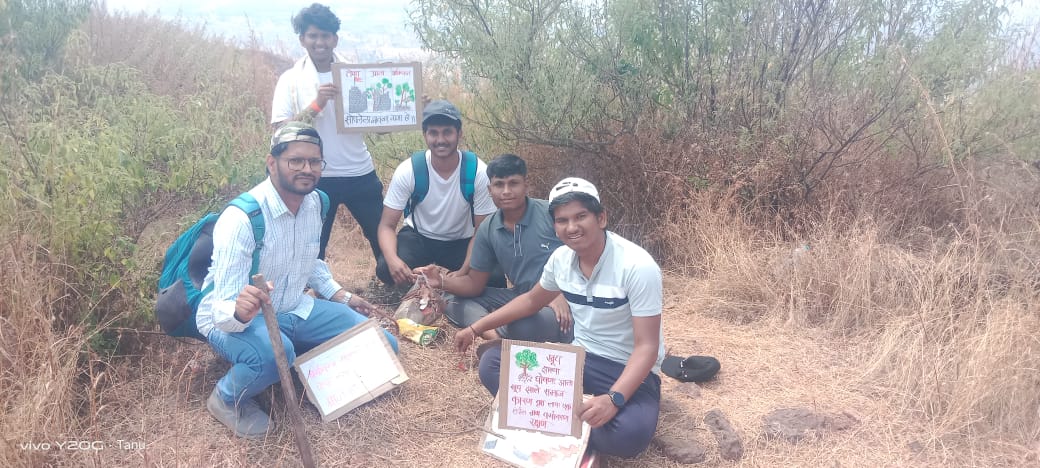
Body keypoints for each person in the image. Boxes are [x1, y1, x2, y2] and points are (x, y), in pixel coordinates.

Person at [198, 122, 398, 438]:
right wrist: (240, 312)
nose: (307, 169)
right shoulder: (243, 219)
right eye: (296, 161)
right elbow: (221, 309)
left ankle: (295, 361)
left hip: (295, 307)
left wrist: (341, 295)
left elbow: (310, 261)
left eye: (314, 161)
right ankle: (226, 397)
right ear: (272, 163)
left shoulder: (316, 202)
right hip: (239, 321)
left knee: (384, 346)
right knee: (272, 356)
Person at [454, 177, 665, 458]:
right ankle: (565, 419)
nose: (572, 227)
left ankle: (548, 418)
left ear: (601, 218)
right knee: (492, 363)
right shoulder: (561, 260)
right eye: (562, 220)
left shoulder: (637, 266)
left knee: (629, 436)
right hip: (580, 359)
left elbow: (647, 347)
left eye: (581, 216)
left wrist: (614, 399)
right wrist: (475, 328)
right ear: (554, 226)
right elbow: (531, 301)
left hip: (627, 368)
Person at [414, 154, 572, 343]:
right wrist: (440, 281)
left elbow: (584, 258)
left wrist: (557, 292)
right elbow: (474, 284)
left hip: (564, 300)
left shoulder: (551, 214)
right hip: (522, 296)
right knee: (451, 299)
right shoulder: (488, 228)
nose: (506, 191)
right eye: (499, 185)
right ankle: (495, 338)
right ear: (490, 189)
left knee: (523, 326)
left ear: (526, 185)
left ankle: (507, 326)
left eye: (513, 183)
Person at [271, 3, 383, 261]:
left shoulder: (357, 75)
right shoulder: (290, 80)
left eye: (325, 35)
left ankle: (390, 280)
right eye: (313, 36)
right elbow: (280, 130)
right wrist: (317, 104)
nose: (319, 42)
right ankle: (314, 287)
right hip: (315, 175)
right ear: (302, 39)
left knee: (384, 243)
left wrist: (412, 110)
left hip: (359, 172)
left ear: (335, 39)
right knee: (312, 249)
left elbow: (379, 126)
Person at [375, 100, 499, 286]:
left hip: (461, 241)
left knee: (495, 277)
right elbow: (387, 225)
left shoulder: (477, 172)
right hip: (419, 237)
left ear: (459, 134)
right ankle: (420, 282)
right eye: (433, 133)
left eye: (447, 132)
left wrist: (463, 271)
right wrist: (393, 261)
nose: (440, 140)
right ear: (425, 135)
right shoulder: (409, 170)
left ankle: (441, 281)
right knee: (385, 268)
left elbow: (481, 232)